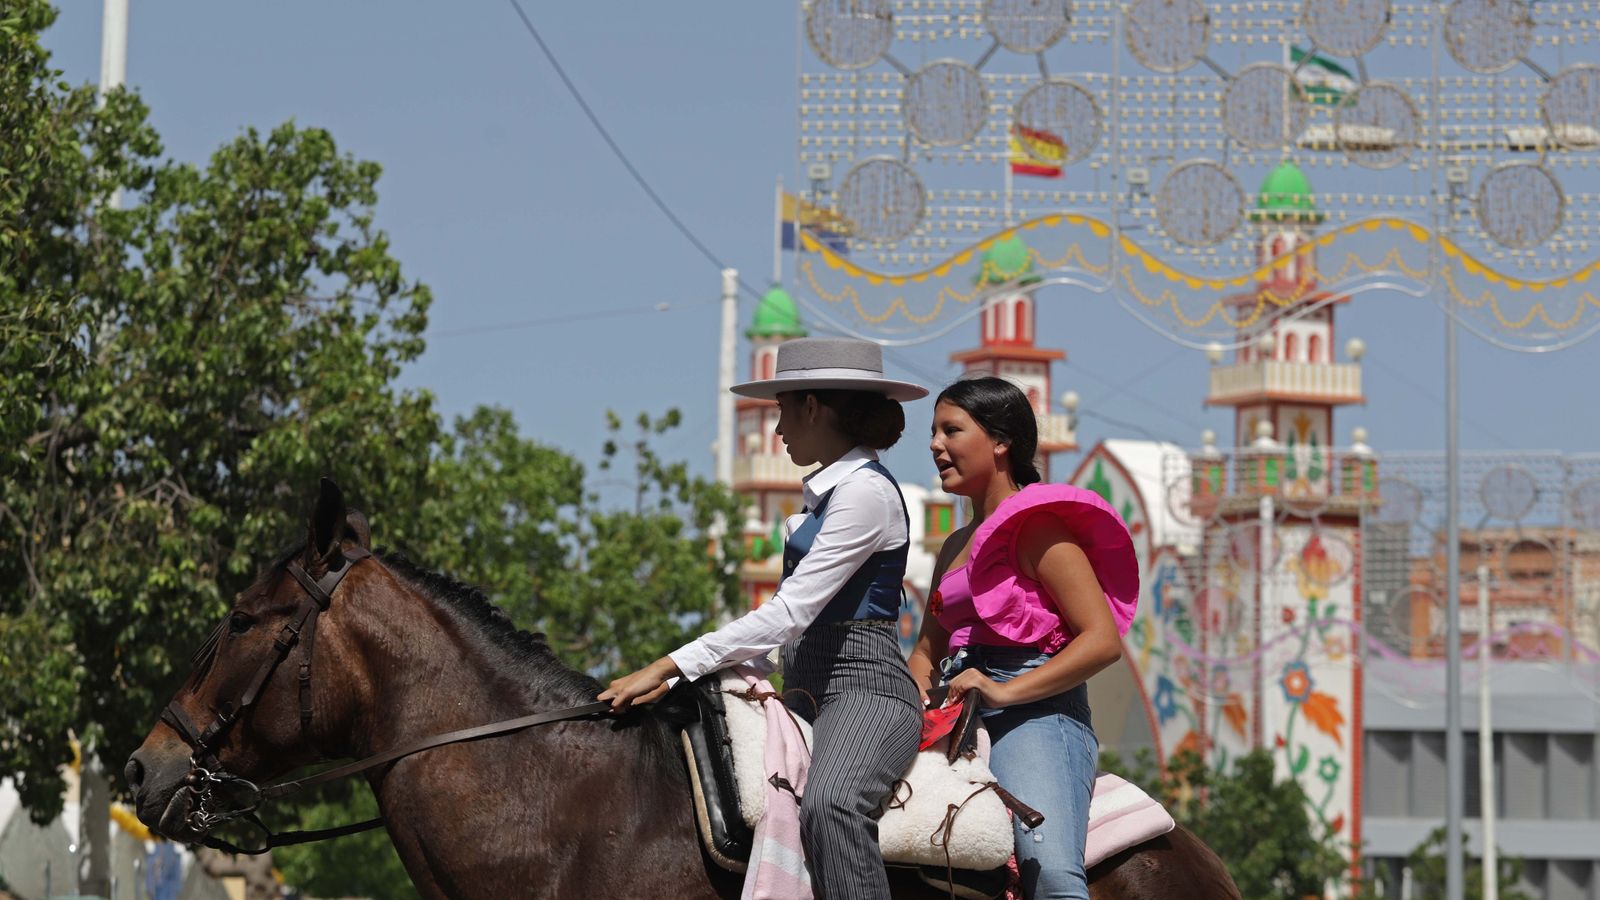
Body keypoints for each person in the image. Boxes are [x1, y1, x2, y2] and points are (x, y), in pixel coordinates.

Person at [600, 336, 927, 899]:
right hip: (802, 686)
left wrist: (672, 663)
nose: (776, 431)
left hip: (867, 693)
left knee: (831, 806)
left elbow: (791, 613)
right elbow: (786, 631)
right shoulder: (822, 496)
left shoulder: (865, 494)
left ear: (811, 408)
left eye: (780, 412)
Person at [908, 376, 1139, 900]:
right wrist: (911, 704)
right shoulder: (954, 545)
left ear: (1001, 442)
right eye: (933, 432)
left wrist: (1004, 689)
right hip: (951, 706)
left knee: (1050, 872)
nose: (934, 444)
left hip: (1036, 714)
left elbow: (1102, 640)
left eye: (951, 430)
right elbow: (926, 652)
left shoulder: (1040, 530)